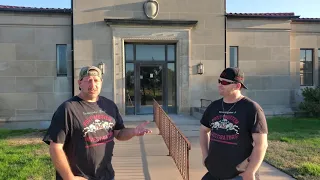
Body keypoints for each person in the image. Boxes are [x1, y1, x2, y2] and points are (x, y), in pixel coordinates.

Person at [43, 66, 152, 180]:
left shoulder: (109, 106)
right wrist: (69, 177)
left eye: (96, 80)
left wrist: (133, 131)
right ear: (80, 83)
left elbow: (119, 133)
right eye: (88, 80)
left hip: (106, 175)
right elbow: (55, 147)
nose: (93, 84)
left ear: (101, 82)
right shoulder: (67, 109)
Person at [199, 67, 268, 180]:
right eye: (219, 81)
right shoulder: (214, 106)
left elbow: (262, 145)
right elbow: (203, 130)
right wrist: (205, 155)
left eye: (225, 82)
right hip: (214, 172)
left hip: (238, 175)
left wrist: (250, 172)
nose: (220, 84)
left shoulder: (252, 108)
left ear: (237, 86)